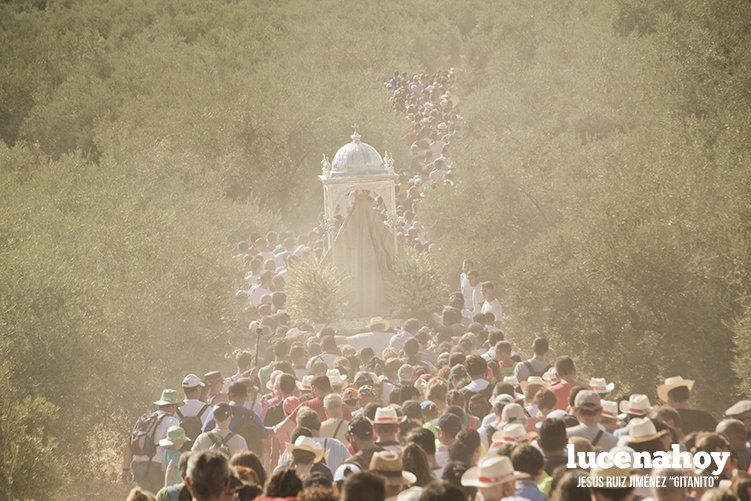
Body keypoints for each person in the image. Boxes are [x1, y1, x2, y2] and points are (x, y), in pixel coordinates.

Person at [130, 389, 182, 494]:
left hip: (137, 465)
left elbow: (129, 443)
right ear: (172, 406)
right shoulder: (172, 421)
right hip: (156, 466)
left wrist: (125, 469)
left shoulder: (144, 419)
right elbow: (175, 444)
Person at [203, 381, 267, 456]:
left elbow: (204, 435)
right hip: (245, 461)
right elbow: (264, 443)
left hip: (220, 461)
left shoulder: (216, 412)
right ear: (246, 397)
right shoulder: (253, 417)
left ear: (228, 396)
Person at [276, 408, 350, 472]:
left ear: (299, 428)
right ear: (320, 426)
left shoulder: (293, 449)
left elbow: (277, 472)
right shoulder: (337, 445)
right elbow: (350, 468)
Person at [178, 374, 211, 446]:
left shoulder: (176, 409)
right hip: (200, 450)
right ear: (197, 389)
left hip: (181, 451)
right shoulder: (207, 408)